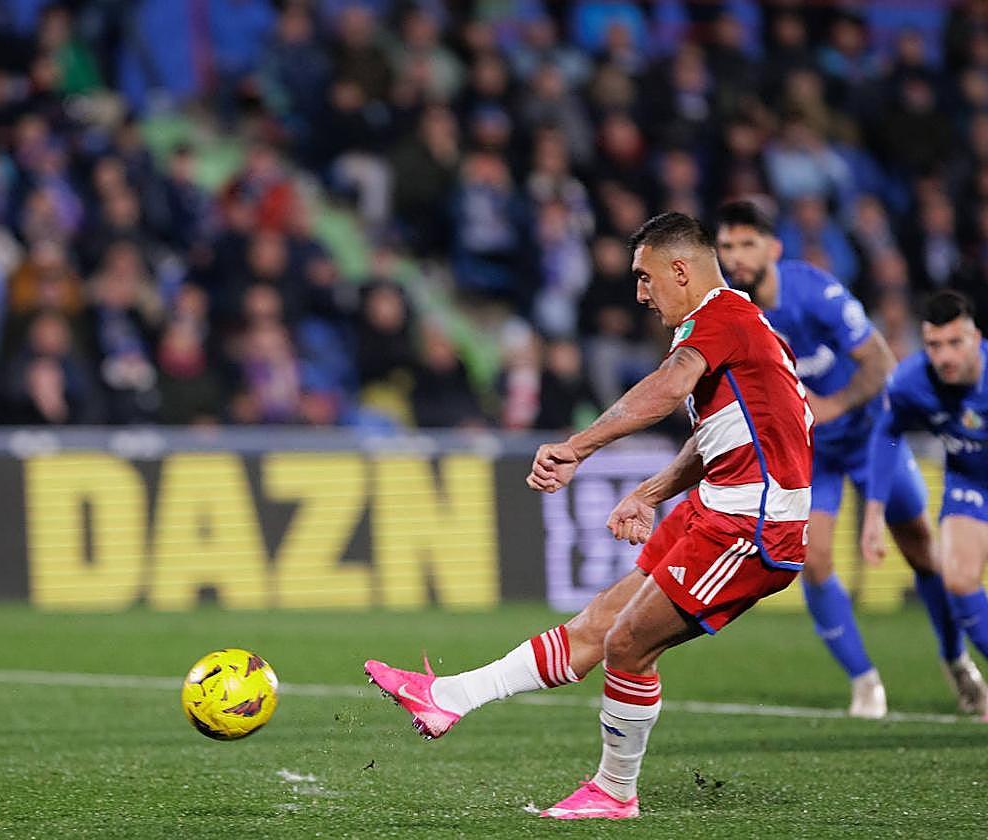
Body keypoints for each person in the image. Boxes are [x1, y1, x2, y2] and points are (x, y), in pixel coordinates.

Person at [365, 213, 814, 820]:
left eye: (646, 277)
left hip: (752, 526)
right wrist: (651, 493)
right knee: (600, 622)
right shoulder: (739, 327)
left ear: (681, 269)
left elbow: (666, 387)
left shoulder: (719, 319)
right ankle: (448, 697)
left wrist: (578, 447)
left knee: (628, 644)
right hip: (717, 506)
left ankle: (614, 791)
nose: (641, 294)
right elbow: (721, 436)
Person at [714, 201, 984, 718]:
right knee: (813, 560)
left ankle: (955, 660)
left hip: (869, 439)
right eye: (726, 246)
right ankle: (865, 682)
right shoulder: (730, 311)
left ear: (773, 248)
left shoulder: (815, 293)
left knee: (921, 549)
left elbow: (879, 360)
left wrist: (832, 406)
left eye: (747, 244)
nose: (736, 256)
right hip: (811, 454)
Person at [862, 290, 988, 722]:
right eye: (934, 345)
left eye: (955, 343)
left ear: (976, 339)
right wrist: (873, 513)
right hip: (970, 482)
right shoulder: (911, 382)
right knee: (959, 579)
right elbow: (887, 434)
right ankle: (965, 671)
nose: (945, 357)